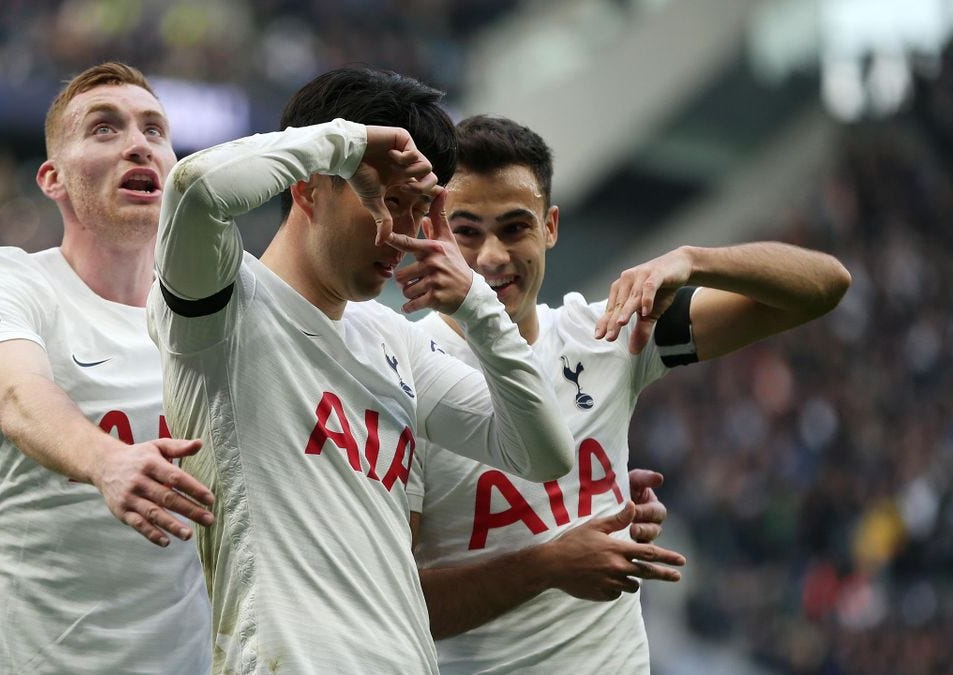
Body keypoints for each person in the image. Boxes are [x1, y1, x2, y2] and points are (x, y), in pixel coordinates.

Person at [147, 67, 576, 673]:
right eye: (384, 199)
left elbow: (544, 454)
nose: (400, 232)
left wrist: (478, 307)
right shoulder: (223, 303)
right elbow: (194, 187)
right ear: (307, 187)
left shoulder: (393, 341)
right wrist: (348, 143)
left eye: (418, 208)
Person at [407, 115, 853, 673]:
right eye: (467, 230)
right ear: (432, 231)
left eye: (515, 227)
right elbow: (394, 607)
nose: (492, 255)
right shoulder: (400, 374)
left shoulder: (608, 334)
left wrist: (693, 259)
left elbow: (823, 287)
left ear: (550, 226)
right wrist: (546, 565)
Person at [0, 62, 214, 674]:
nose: (138, 143)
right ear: (52, 178)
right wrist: (105, 460)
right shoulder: (5, 280)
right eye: (104, 129)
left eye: (154, 129)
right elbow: (15, 394)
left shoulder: (217, 320)